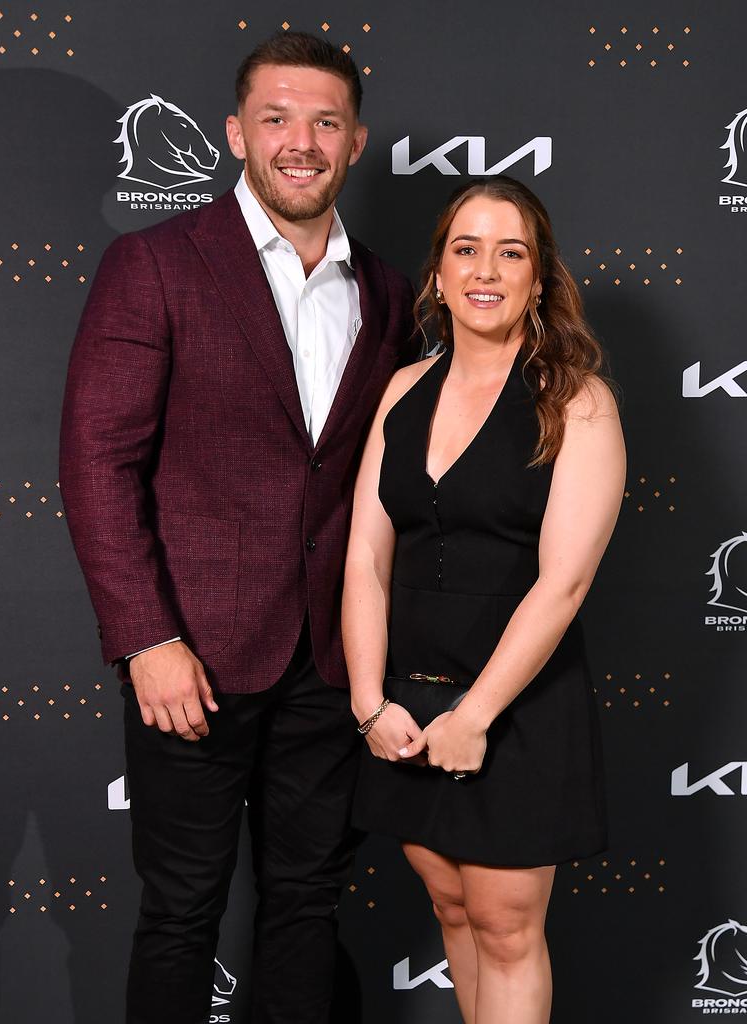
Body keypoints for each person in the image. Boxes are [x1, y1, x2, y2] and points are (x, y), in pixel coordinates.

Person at [59, 32, 415, 1024]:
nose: (300, 141)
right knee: (181, 912)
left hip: (330, 662)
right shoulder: (155, 264)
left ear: (355, 142)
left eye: (324, 122)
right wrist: (146, 639)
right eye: (276, 118)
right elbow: (96, 462)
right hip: (192, 658)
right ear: (235, 134)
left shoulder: (389, 294)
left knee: (306, 907)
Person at [342, 176, 626, 1024]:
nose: (486, 269)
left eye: (512, 251)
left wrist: (477, 714)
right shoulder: (401, 390)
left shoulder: (576, 401)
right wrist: (366, 700)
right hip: (407, 705)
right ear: (437, 275)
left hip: (518, 706)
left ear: (539, 279)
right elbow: (364, 555)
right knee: (452, 909)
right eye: (466, 248)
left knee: (505, 926)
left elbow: (564, 582)